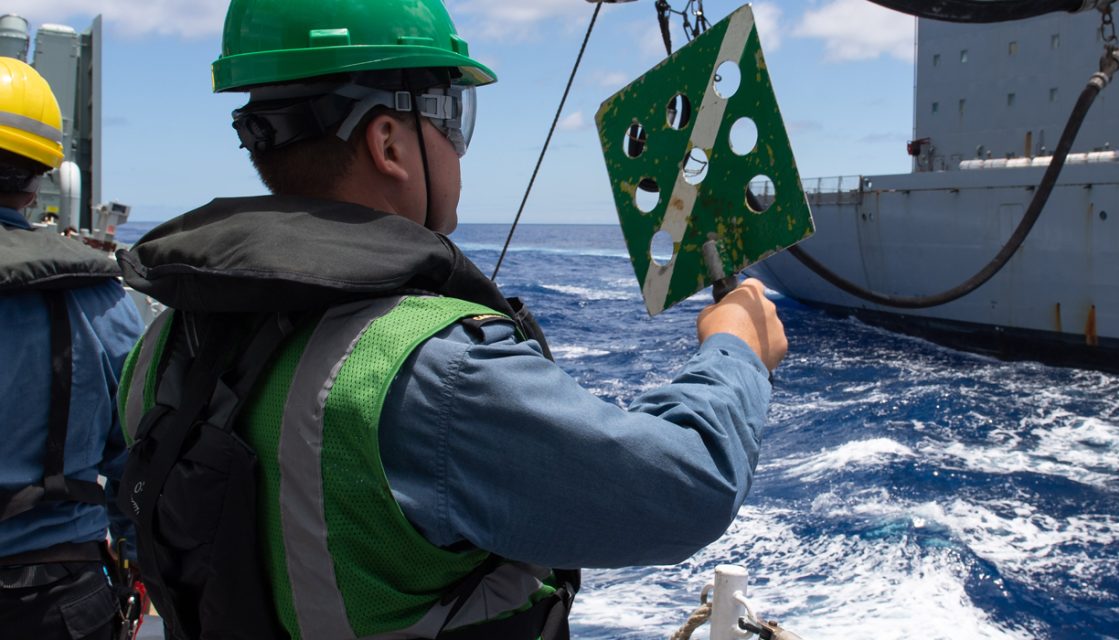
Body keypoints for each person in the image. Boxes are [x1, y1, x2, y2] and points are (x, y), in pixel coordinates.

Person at [115, 1, 787, 638]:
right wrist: (735, 347)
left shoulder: (160, 346)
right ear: (388, 143)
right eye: (451, 117)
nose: (459, 148)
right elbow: (685, 487)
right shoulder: (432, 373)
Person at [0, 57, 144, 639]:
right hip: (59, 601)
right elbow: (139, 455)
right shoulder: (99, 299)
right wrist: (138, 562)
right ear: (40, 177)